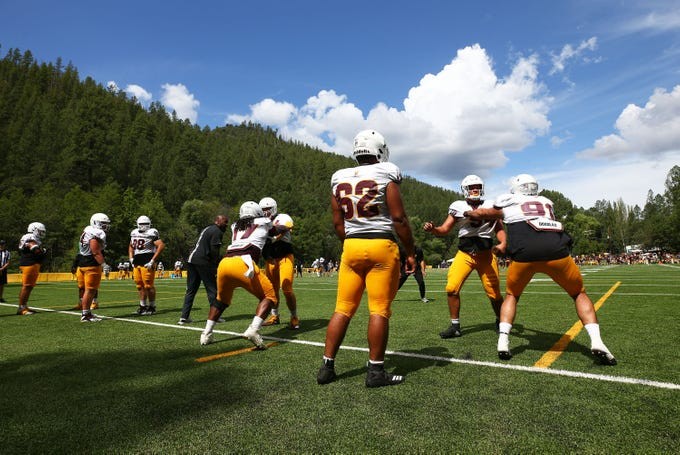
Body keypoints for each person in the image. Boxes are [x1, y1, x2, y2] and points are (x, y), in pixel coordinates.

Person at [465, 174, 617, 365]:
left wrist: (470, 214)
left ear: (515, 188)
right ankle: (596, 340)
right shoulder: (546, 201)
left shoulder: (508, 199)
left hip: (524, 252)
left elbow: (487, 214)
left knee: (512, 295)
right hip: (556, 249)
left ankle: (503, 340)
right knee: (578, 293)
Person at [317, 129, 416, 388]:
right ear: (380, 150)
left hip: (351, 246)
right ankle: (375, 372)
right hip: (381, 244)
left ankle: (327, 366)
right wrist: (411, 252)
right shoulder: (386, 172)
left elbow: (338, 222)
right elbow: (399, 219)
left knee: (342, 309)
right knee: (379, 310)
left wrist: (350, 242)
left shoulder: (339, 178)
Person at [423, 175, 506, 338]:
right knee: (452, 288)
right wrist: (433, 229)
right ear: (464, 190)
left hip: (486, 255)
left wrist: (503, 243)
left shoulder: (491, 205)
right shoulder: (458, 206)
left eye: (477, 186)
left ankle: (501, 321)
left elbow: (499, 229)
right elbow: (444, 230)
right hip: (465, 254)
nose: (475, 189)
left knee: (494, 294)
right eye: (471, 187)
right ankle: (455, 326)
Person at [200, 201, 288, 348]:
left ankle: (206, 334)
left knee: (220, 301)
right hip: (244, 263)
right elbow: (276, 230)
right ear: (257, 212)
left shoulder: (235, 225)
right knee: (270, 296)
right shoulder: (264, 221)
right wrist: (287, 226)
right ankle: (253, 330)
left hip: (225, 263)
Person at [178, 215, 229, 325]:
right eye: (225, 222)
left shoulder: (207, 228)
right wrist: (216, 265)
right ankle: (215, 316)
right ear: (217, 221)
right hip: (203, 261)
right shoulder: (217, 231)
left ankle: (184, 317)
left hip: (192, 260)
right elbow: (214, 250)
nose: (227, 224)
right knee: (212, 289)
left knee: (191, 290)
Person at [259, 197, 300, 329]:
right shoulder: (260, 222)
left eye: (267, 209)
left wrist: (272, 234)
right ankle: (274, 316)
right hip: (271, 260)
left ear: (274, 208)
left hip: (285, 257)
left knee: (286, 289)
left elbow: (286, 226)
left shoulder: (281, 217)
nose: (265, 212)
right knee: (272, 291)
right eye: (263, 210)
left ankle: (294, 317)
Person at [76, 213, 110, 322]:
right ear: (96, 223)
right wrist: (104, 264)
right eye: (103, 224)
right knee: (90, 290)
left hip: (83, 262)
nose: (106, 226)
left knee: (88, 289)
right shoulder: (96, 233)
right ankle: (86, 314)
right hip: (91, 264)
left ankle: (87, 313)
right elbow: (95, 251)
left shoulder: (88, 230)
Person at [129, 215, 166, 316]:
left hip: (147, 261)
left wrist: (152, 260)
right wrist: (131, 258)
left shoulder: (152, 232)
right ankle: (142, 306)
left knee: (148, 286)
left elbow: (161, 245)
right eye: (142, 224)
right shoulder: (134, 232)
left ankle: (152, 306)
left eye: (146, 224)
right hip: (137, 261)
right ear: (137, 224)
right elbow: (131, 246)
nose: (144, 226)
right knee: (139, 285)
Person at [16, 222, 48, 315]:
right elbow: (34, 249)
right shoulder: (30, 237)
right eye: (40, 231)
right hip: (29, 264)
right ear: (34, 230)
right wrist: (42, 251)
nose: (42, 233)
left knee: (29, 286)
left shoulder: (31, 237)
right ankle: (21, 308)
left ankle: (24, 306)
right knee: (26, 286)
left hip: (31, 264)